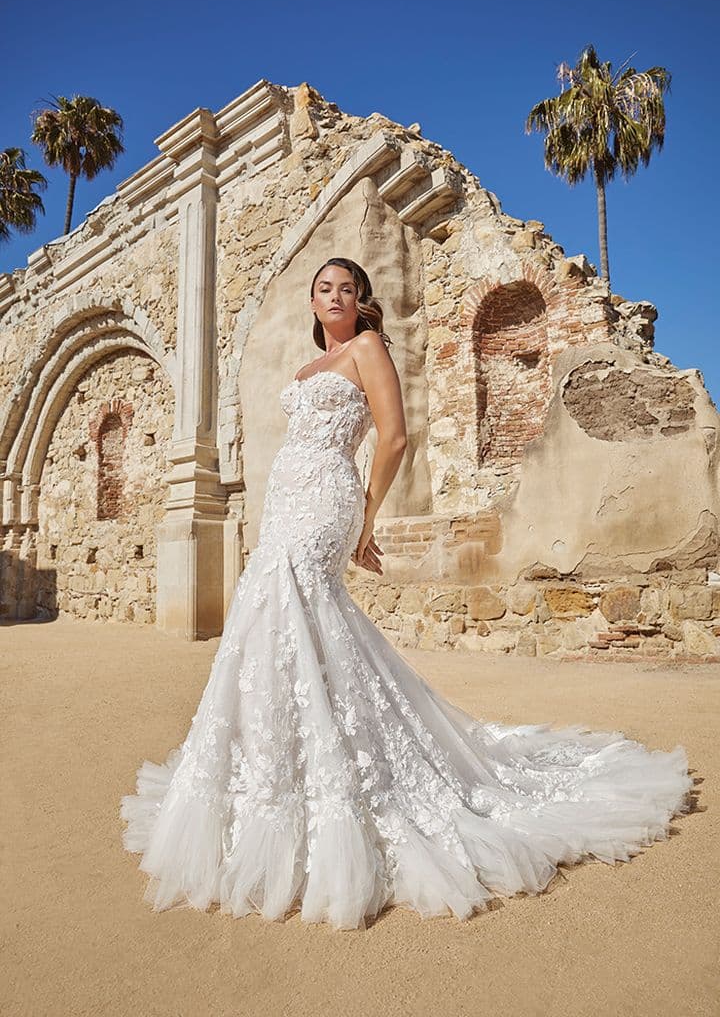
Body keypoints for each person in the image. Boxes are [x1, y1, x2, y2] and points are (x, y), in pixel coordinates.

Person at [120, 257, 693, 931]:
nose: (335, 296)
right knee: (272, 620)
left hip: (330, 498)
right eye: (324, 288)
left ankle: (347, 783)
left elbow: (393, 436)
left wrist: (364, 515)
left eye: (347, 288)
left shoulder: (367, 349)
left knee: (299, 605)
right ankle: (279, 771)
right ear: (312, 301)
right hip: (284, 501)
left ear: (361, 302)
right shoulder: (306, 370)